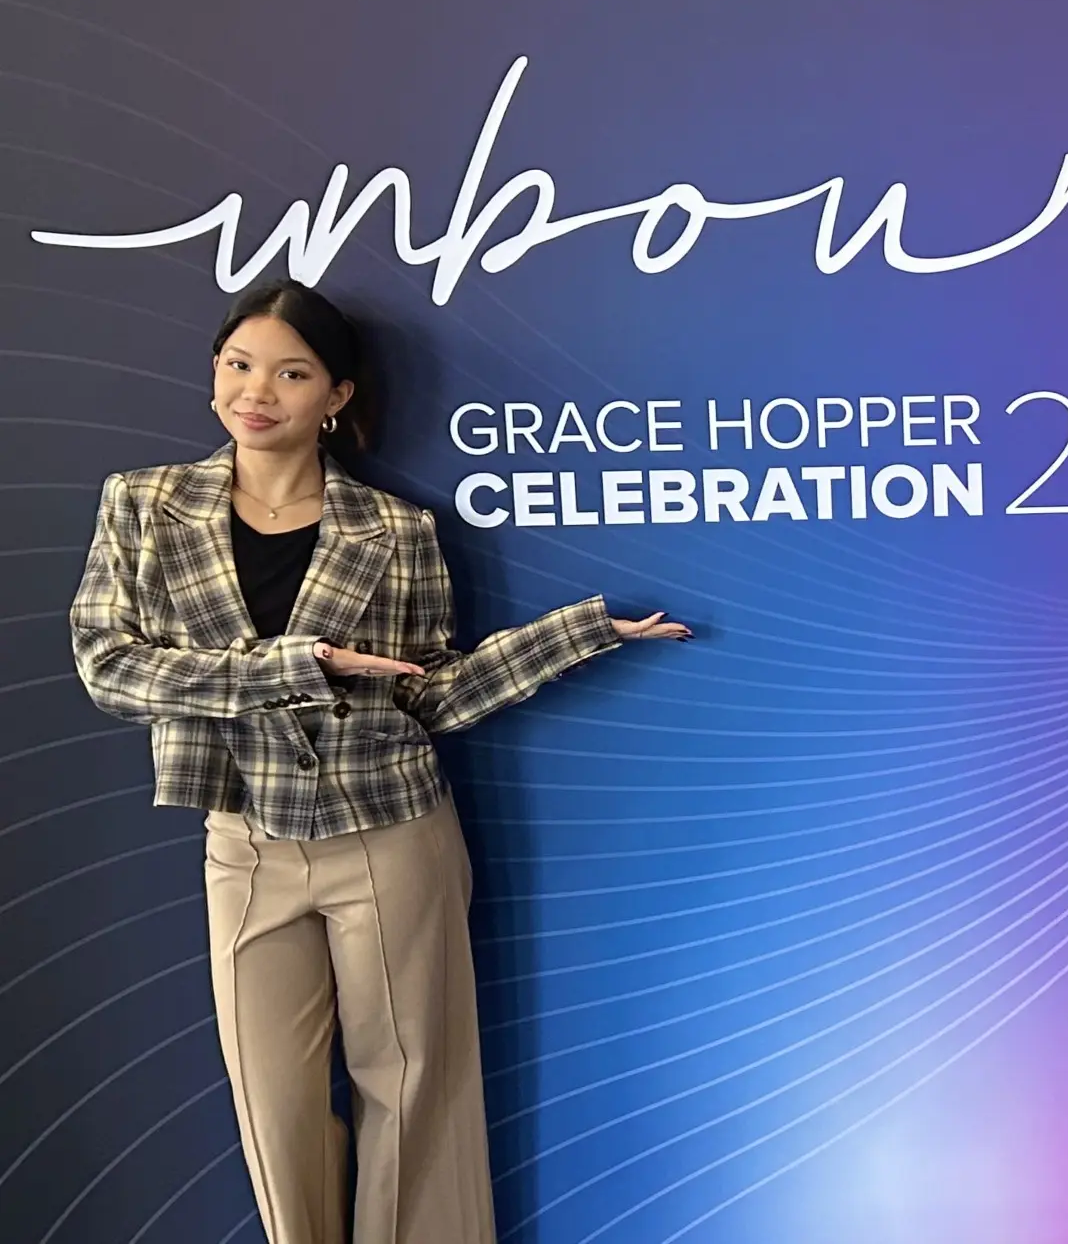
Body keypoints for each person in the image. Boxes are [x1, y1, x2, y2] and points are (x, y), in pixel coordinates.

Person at [69, 280, 692, 1244]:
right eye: (237, 364)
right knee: (273, 1112)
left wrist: (577, 636)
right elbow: (110, 668)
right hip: (245, 840)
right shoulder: (145, 505)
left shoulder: (395, 531)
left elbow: (431, 694)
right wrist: (298, 664)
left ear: (337, 396)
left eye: (290, 371)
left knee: (414, 1094)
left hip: (392, 832)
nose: (256, 390)